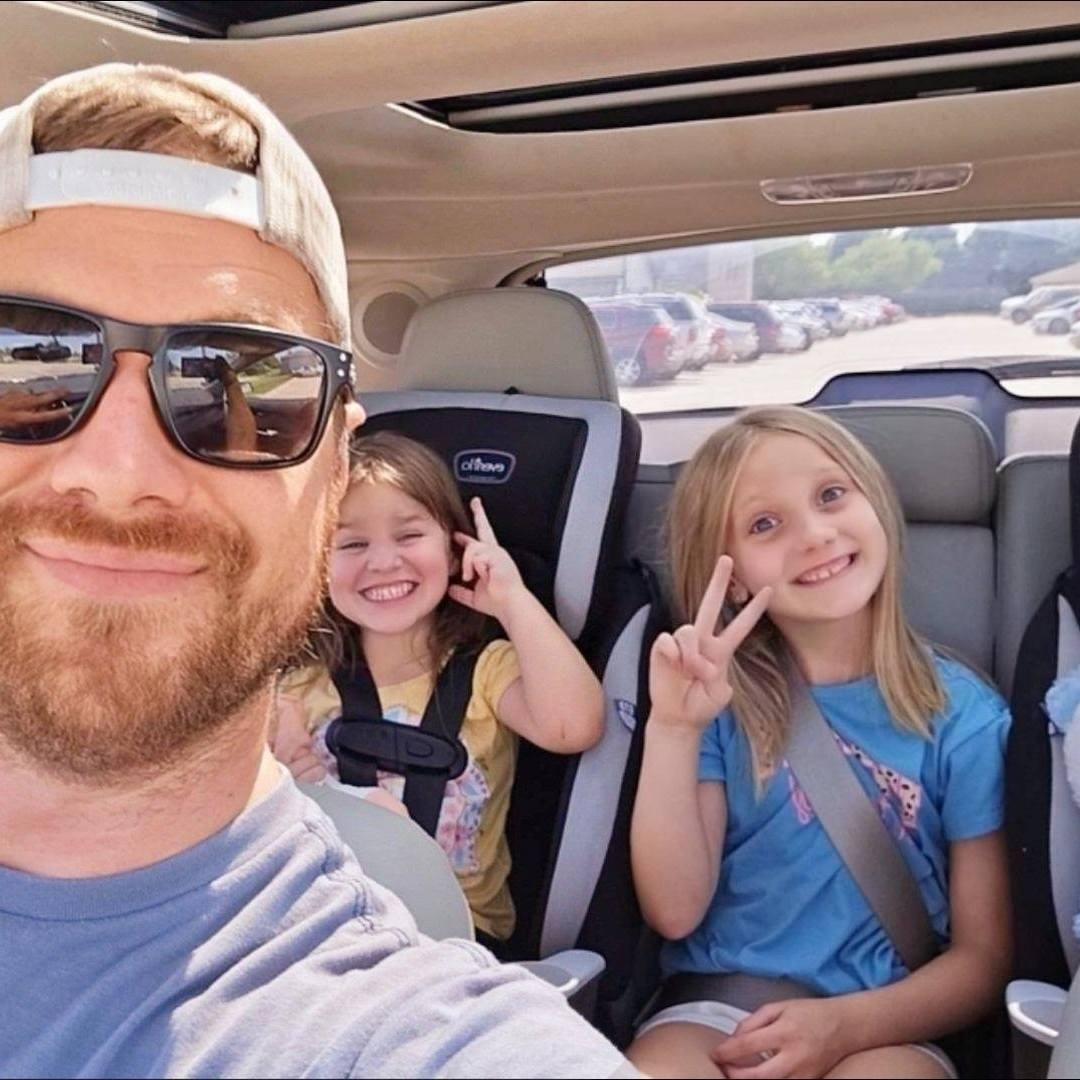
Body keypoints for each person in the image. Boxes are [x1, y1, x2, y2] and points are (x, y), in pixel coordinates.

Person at [0, 63, 637, 1079]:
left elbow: (571, 723)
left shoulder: (427, 1040)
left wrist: (512, 599)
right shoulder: (307, 686)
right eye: (24, 361)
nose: (121, 474)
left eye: (241, 389)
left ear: (329, 469)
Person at [627, 406, 1011, 1080]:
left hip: (886, 1023)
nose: (814, 534)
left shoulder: (963, 717)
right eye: (764, 524)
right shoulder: (715, 703)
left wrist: (843, 1027)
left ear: (876, 504)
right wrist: (674, 729)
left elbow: (984, 960)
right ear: (732, 575)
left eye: (831, 495)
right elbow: (676, 911)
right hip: (718, 1010)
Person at [272, 430, 604, 944]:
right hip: (332, 919)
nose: (383, 562)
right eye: (353, 544)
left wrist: (512, 600)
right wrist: (292, 777)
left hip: (457, 934)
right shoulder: (296, 687)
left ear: (454, 551)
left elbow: (574, 727)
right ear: (318, 563)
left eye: (408, 537)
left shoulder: (488, 671)